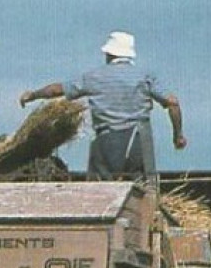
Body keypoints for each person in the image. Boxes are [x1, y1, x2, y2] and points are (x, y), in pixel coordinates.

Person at [20, 31, 185, 180]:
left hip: (106, 141)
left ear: (109, 54)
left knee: (101, 191)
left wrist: (33, 95)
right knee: (141, 190)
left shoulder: (94, 77)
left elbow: (57, 89)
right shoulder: (144, 77)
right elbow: (173, 103)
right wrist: (178, 136)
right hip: (138, 141)